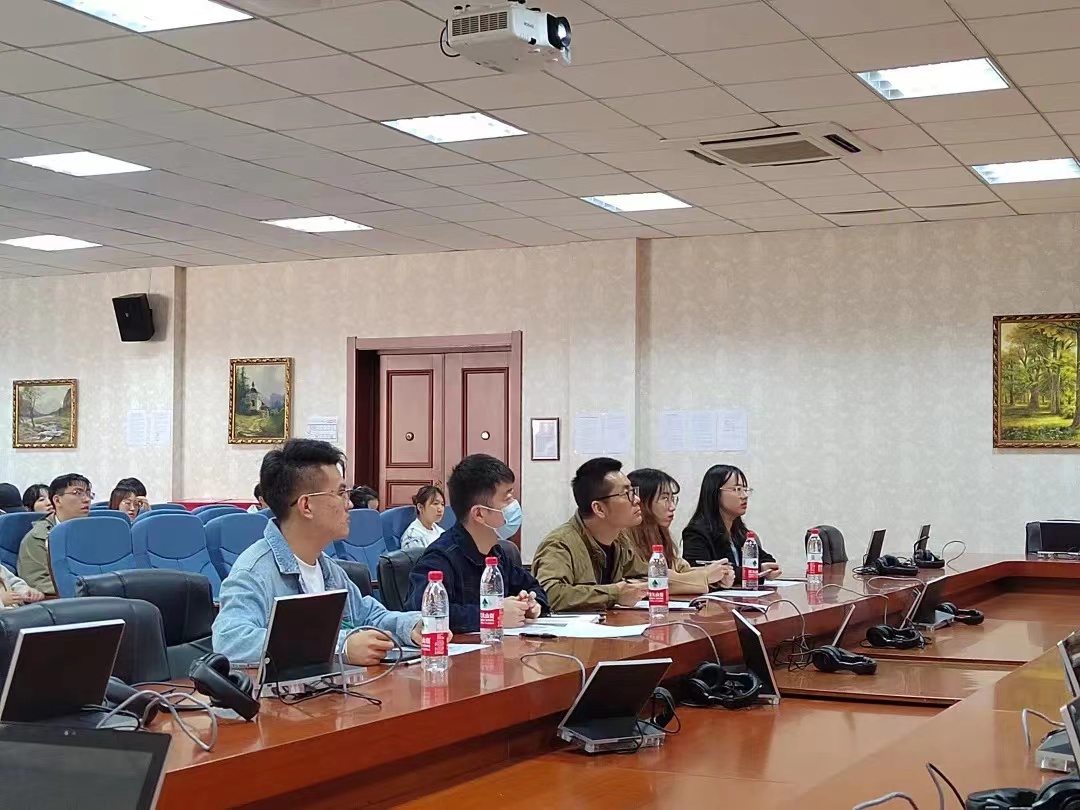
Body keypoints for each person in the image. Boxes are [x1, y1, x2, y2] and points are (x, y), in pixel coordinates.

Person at [212, 439, 434, 665]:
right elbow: (231, 642)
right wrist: (340, 647)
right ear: (306, 506)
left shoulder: (327, 567)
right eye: (340, 493)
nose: (349, 505)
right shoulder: (254, 572)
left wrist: (413, 626)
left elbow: (368, 616)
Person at [406, 454, 547, 633]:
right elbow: (422, 614)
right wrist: (493, 615)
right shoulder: (440, 558)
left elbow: (533, 587)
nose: (514, 505)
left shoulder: (497, 553)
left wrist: (533, 604)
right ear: (479, 514)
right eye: (507, 498)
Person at [532, 457, 650, 612]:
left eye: (633, 491)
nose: (637, 499)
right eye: (626, 493)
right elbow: (549, 595)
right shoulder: (559, 544)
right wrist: (614, 594)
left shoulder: (620, 540)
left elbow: (645, 574)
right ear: (599, 509)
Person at [626, 468, 734, 594]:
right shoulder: (625, 536)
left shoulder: (660, 534)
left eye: (672, 499)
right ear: (642, 501)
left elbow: (681, 570)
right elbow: (651, 578)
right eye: (665, 498)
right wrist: (705, 576)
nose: (672, 507)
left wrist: (717, 576)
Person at [682, 465, 782, 582]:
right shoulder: (696, 533)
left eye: (745, 490)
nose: (744, 496)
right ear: (715, 493)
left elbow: (767, 560)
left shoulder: (739, 532)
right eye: (737, 489)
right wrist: (756, 571)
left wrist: (764, 568)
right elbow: (702, 572)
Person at [18, 473, 92, 596]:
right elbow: (38, 581)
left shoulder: (98, 530)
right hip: (70, 601)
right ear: (57, 500)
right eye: (77, 493)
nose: (87, 499)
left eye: (88, 493)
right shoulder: (38, 537)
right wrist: (85, 589)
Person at [400, 485, 447, 551]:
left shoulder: (440, 531)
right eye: (435, 503)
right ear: (420, 507)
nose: (440, 509)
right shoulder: (413, 536)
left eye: (442, 504)